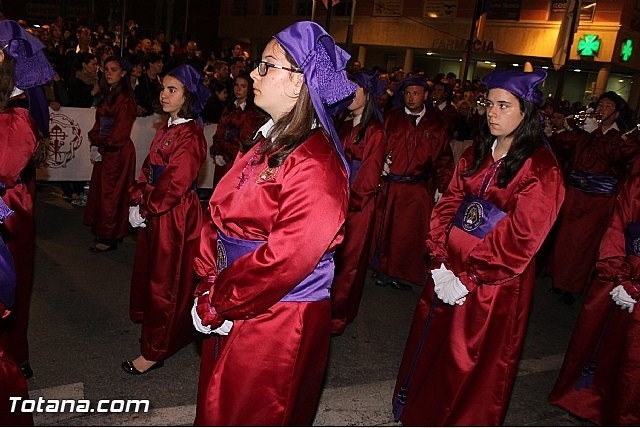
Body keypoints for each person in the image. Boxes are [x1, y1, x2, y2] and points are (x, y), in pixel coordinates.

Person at [191, 21, 357, 425]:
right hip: (240, 297)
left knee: (254, 412)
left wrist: (219, 299)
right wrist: (208, 280)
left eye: (266, 66)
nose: (252, 74)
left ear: (300, 83)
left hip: (278, 315)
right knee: (222, 405)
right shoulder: (270, 141)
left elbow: (287, 257)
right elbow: (219, 216)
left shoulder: (316, 162)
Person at [392, 69, 565, 426]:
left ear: (526, 112)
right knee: (434, 344)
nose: (492, 112)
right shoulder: (477, 151)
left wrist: (470, 277)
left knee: (469, 356)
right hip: (449, 269)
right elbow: (448, 204)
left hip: (492, 282)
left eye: (504, 105)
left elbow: (523, 236)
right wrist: (439, 261)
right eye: (490, 103)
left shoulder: (541, 167)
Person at [122, 64, 209, 374]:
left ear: (187, 96)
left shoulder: (191, 134)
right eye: (163, 88)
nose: (164, 94)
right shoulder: (168, 128)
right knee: (154, 274)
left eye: (173, 90)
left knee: (167, 281)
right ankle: (163, 331)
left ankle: (155, 351)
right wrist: (138, 196)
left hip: (175, 216)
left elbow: (175, 182)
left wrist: (146, 206)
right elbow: (150, 168)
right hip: (158, 209)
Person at [548, 173, 640, 425]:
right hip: (622, 270)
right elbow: (617, 225)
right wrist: (618, 273)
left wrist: (636, 287)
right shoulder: (637, 182)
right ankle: (590, 401)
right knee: (600, 341)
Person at [549, 91, 636, 304]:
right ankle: (559, 280)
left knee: (584, 243)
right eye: (600, 105)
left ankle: (573, 286)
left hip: (599, 199)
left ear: (616, 113)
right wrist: (569, 126)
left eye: (607, 106)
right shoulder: (589, 132)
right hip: (576, 192)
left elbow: (617, 156)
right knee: (566, 238)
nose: (601, 109)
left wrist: (598, 135)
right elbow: (564, 144)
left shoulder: (622, 137)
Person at [371, 75, 454, 289]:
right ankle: (382, 269)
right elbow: (376, 147)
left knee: (409, 235)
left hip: (417, 189)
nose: (411, 98)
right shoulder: (392, 118)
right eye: (407, 93)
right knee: (384, 230)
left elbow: (444, 158)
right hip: (390, 186)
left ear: (425, 96)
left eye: (416, 93)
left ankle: (402, 272)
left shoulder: (436, 124)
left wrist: (443, 186)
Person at [330, 70, 387, 335]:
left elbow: (369, 177)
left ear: (369, 95)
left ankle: (338, 316)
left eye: (357, 89)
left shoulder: (374, 132)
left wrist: (348, 203)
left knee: (349, 263)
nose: (350, 94)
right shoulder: (342, 125)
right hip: (336, 201)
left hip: (357, 206)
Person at [84, 56, 137, 252]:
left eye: (113, 69)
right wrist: (96, 140)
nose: (108, 73)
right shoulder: (110, 95)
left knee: (112, 194)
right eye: (106, 69)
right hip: (106, 149)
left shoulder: (126, 99)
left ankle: (109, 236)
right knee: (103, 191)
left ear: (123, 73)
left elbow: (119, 134)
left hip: (117, 151)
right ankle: (107, 231)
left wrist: (100, 144)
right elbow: (100, 124)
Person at [209, 71, 266, 188]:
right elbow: (219, 131)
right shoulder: (229, 107)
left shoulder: (251, 112)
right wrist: (216, 152)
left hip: (236, 160)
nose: (238, 89)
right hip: (221, 158)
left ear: (249, 89)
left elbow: (245, 140)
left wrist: (226, 156)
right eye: (236, 85)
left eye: (243, 86)